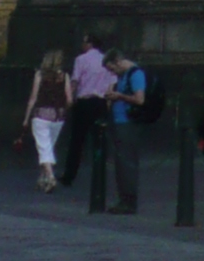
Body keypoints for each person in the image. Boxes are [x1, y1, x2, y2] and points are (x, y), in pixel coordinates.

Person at [60, 32, 114, 187]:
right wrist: (108, 103)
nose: (82, 45)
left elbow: (75, 81)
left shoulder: (81, 59)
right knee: (99, 139)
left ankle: (69, 175)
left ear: (90, 44)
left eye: (84, 42)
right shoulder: (106, 60)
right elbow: (111, 83)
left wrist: (69, 100)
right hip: (100, 102)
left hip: (84, 102)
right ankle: (99, 174)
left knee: (77, 141)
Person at [104, 50, 150, 213]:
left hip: (128, 123)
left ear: (118, 62)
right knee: (121, 163)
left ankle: (129, 201)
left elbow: (139, 99)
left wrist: (119, 96)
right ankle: (124, 199)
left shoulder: (136, 74)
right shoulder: (122, 76)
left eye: (112, 69)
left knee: (127, 162)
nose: (112, 73)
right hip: (120, 122)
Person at [20, 49, 71, 190]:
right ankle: (43, 178)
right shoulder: (65, 76)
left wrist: (26, 118)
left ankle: (50, 177)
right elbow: (69, 99)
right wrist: (64, 109)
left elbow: (33, 98)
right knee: (48, 147)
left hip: (41, 115)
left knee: (44, 147)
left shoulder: (40, 75)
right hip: (58, 116)